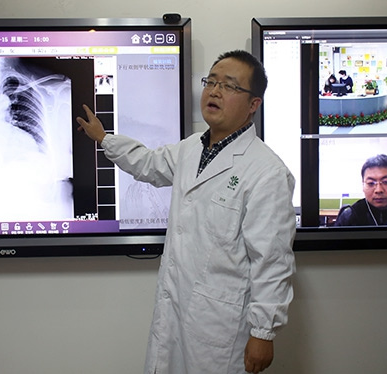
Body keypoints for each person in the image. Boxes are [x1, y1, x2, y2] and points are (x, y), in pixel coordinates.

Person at [76, 50, 296, 374]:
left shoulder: (266, 172)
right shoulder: (192, 147)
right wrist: (104, 139)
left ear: (254, 104)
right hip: (177, 308)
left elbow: (272, 260)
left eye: (230, 86)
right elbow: (149, 164)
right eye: (212, 81)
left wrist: (263, 333)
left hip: (222, 326)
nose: (215, 91)